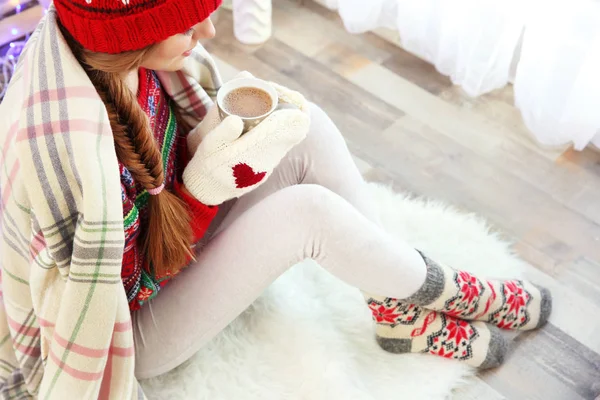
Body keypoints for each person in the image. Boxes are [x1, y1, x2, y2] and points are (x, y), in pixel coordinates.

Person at [0, 0, 551, 398]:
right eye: (189, 22)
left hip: (163, 250)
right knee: (304, 216)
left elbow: (171, 193)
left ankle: (398, 306)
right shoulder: (73, 158)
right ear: (134, 35)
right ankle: (448, 292)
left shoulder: (125, 63)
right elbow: (127, 286)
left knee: (304, 126)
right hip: (134, 326)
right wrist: (203, 193)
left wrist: (220, 150)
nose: (211, 30)